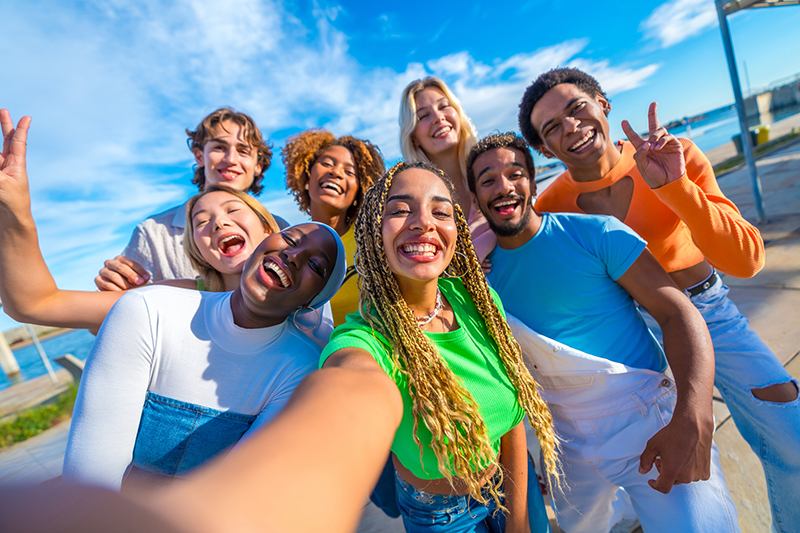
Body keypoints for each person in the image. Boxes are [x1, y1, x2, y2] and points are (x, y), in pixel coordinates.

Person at [0, 109, 347, 490]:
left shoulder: (298, 352)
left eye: (234, 211)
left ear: (269, 229)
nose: (218, 223)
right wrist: (16, 213)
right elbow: (38, 303)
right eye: (199, 222)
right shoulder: (160, 296)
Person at [519, 68, 800, 532]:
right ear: (545, 149)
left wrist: (674, 187)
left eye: (577, 108)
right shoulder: (550, 208)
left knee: (790, 432)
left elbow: (747, 260)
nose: (570, 126)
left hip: (710, 313)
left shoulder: (677, 155)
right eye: (552, 128)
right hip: (632, 338)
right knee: (680, 482)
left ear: (602, 104)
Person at [467, 132, 740, 532]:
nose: (504, 186)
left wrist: (693, 415)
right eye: (488, 179)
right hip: (563, 441)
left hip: (647, 419)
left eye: (515, 173)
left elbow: (677, 312)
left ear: (533, 180)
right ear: (475, 197)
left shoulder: (596, 233)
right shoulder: (476, 278)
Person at [321, 161, 560, 532]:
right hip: (438, 514)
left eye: (441, 211)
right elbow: (347, 377)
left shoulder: (477, 302)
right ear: (372, 232)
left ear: (456, 230)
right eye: (400, 210)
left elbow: (512, 420)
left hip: (511, 480)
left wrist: (519, 523)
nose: (423, 222)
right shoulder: (366, 339)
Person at [95, 107, 288, 291]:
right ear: (199, 156)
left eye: (243, 151)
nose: (231, 159)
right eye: (219, 147)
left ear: (258, 166)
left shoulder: (281, 229)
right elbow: (106, 318)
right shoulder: (153, 233)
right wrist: (114, 290)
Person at [282, 128, 385, 326]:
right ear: (306, 176)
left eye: (349, 172)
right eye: (327, 163)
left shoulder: (377, 241)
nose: (335, 172)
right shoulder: (285, 244)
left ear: (360, 191)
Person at [399, 76, 495, 262]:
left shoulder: (494, 174)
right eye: (423, 116)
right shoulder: (412, 207)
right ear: (413, 137)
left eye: (444, 106)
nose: (438, 117)